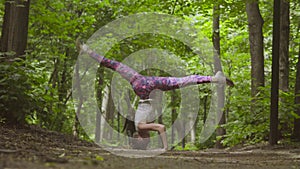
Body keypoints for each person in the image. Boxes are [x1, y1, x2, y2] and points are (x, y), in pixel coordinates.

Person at [76, 40, 234, 150]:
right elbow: (160, 127)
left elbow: (160, 127)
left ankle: (87, 51)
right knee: (113, 65)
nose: (139, 137)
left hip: (143, 86)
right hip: (143, 85)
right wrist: (163, 146)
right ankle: (215, 79)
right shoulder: (141, 126)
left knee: (181, 81)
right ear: (139, 138)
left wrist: (163, 147)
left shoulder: (140, 126)